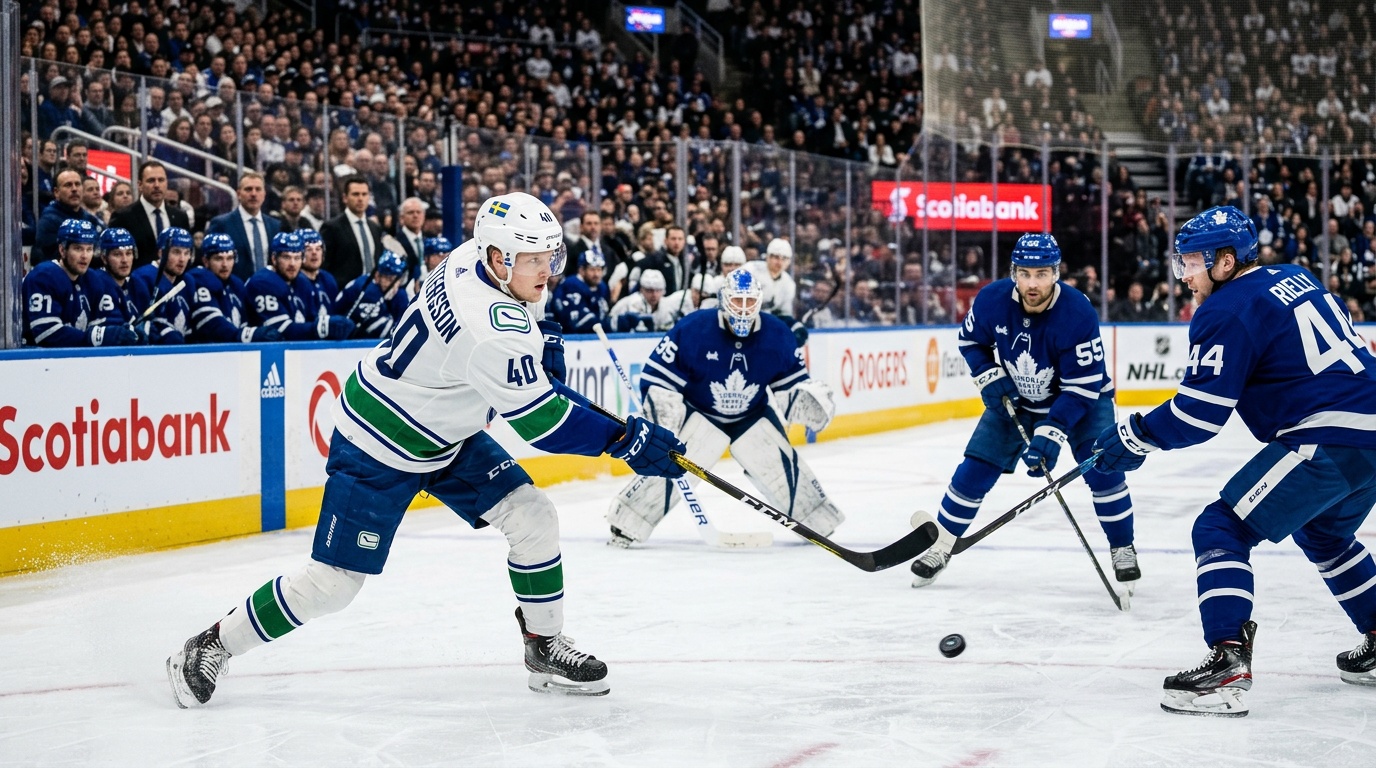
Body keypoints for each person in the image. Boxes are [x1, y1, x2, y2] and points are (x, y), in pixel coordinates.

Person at [166, 192, 688, 707]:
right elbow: (543, 423)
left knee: (532, 515)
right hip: (380, 441)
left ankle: (542, 645)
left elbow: (530, 325)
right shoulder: (489, 330)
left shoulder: (473, 257)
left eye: (551, 256)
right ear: (499, 258)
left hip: (445, 431)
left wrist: (544, 334)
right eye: (535, 260)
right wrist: (628, 440)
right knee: (334, 583)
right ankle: (211, 643)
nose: (548, 271)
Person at [1092, 206, 1376, 717]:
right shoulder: (1294, 275)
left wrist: (1134, 438)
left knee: (1220, 528)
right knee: (1325, 535)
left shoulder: (1225, 309)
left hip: (1329, 437)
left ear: (1226, 262)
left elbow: (1200, 416)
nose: (1185, 277)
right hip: (1368, 431)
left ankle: (1227, 661)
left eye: (1193, 263)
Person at [909, 233, 1139, 589]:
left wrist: (1052, 432)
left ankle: (1122, 546)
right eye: (1026, 274)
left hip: (1085, 401)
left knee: (1103, 471)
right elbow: (971, 341)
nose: (1033, 283)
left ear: (1056, 273)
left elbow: (1082, 387)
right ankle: (941, 545)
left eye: (1042, 274)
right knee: (973, 472)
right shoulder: (991, 300)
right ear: (1014, 272)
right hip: (1018, 398)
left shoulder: (1077, 311)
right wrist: (988, 375)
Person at [606, 267, 842, 546]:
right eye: (737, 302)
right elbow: (658, 378)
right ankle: (628, 521)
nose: (743, 310)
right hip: (700, 412)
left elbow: (790, 384)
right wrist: (663, 407)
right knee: (668, 463)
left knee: (778, 466)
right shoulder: (693, 328)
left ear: (759, 301)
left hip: (752, 415)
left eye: (749, 302)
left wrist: (803, 398)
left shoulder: (777, 334)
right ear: (723, 300)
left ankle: (817, 522)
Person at [23, 219, 143, 348]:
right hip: (32, 358)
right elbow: (47, 334)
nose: (85, 256)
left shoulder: (92, 279)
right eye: (78, 248)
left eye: (89, 249)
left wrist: (125, 331)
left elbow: (102, 324)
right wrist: (98, 337)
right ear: (62, 250)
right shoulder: (44, 276)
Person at [247, 232, 356, 341]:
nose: (292, 264)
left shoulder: (302, 281)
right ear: (274, 258)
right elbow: (280, 330)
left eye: (297, 257)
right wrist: (322, 328)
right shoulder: (263, 282)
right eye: (286, 257)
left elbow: (311, 319)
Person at [185, 233, 283, 344]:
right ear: (206, 261)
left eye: (229, 258)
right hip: (206, 354)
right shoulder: (200, 281)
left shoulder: (237, 285)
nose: (225, 264)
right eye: (218, 259)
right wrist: (248, 335)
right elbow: (214, 326)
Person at [107, 162, 191, 268]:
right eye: (151, 180)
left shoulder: (180, 217)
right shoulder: (122, 217)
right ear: (140, 185)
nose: (157, 185)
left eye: (161, 180)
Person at [204, 172, 283, 281]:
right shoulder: (221, 224)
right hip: (235, 291)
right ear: (238, 194)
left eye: (258, 189)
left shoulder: (275, 225)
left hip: (269, 290)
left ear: (264, 194)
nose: (253, 194)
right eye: (248, 189)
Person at [129, 227, 195, 344]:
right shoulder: (143, 277)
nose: (182, 259)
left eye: (187, 253)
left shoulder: (188, 281)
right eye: (176, 252)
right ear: (161, 253)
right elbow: (140, 324)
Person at [319, 174, 385, 284]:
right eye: (355, 194)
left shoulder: (375, 228)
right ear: (345, 198)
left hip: (372, 292)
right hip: (344, 294)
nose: (360, 199)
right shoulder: (332, 228)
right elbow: (325, 266)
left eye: (364, 194)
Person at [33, 169, 104, 264]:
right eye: (68, 185)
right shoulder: (49, 221)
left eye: (77, 184)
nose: (74, 189)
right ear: (56, 192)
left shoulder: (90, 219)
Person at [334, 250, 410, 338]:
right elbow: (384, 331)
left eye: (397, 280)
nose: (395, 286)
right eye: (389, 279)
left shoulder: (399, 294)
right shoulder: (368, 290)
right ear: (377, 276)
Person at [551, 251, 611, 334]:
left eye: (599, 270)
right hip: (571, 336)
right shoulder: (571, 285)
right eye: (592, 269)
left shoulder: (602, 287)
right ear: (582, 270)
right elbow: (572, 321)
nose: (596, 274)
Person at [608, 268, 674, 332]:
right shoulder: (635, 302)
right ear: (642, 290)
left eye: (658, 290)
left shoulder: (665, 305)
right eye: (649, 290)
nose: (654, 295)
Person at [96, 227, 140, 321]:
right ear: (104, 258)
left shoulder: (134, 284)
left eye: (128, 253)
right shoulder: (100, 284)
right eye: (117, 254)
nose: (124, 260)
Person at [297, 228, 338, 316]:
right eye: (308, 249)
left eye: (318, 249)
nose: (314, 253)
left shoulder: (328, 279)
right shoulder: (294, 282)